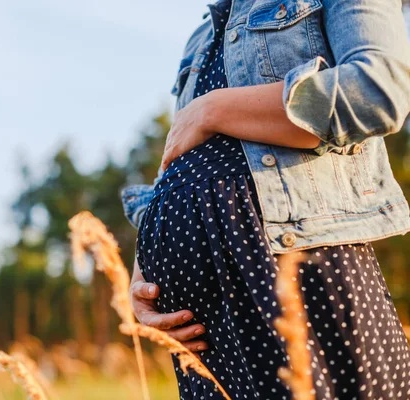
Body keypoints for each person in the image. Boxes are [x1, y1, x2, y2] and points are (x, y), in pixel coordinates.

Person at [119, 0, 410, 399]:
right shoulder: (201, 35)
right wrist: (144, 272)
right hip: (204, 327)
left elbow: (376, 91)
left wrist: (211, 109)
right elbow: (177, 155)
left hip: (294, 266)